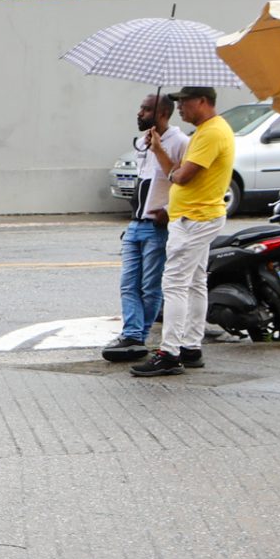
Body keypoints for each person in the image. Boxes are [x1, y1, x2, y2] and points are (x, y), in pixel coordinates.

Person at [130, 85, 235, 380]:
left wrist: (176, 171)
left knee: (174, 283)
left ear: (202, 101)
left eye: (184, 102)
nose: (180, 108)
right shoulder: (207, 131)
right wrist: (160, 150)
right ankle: (190, 346)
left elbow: (182, 176)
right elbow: (175, 171)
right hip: (198, 216)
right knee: (195, 282)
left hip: (194, 218)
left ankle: (169, 352)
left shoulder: (212, 132)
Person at [102, 94, 192, 365]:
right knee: (128, 283)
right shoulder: (144, 142)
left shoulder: (180, 142)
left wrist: (168, 211)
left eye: (146, 109)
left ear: (163, 113)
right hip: (135, 223)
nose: (139, 113)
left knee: (150, 287)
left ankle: (138, 336)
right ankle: (132, 334)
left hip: (157, 226)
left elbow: (182, 179)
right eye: (140, 107)